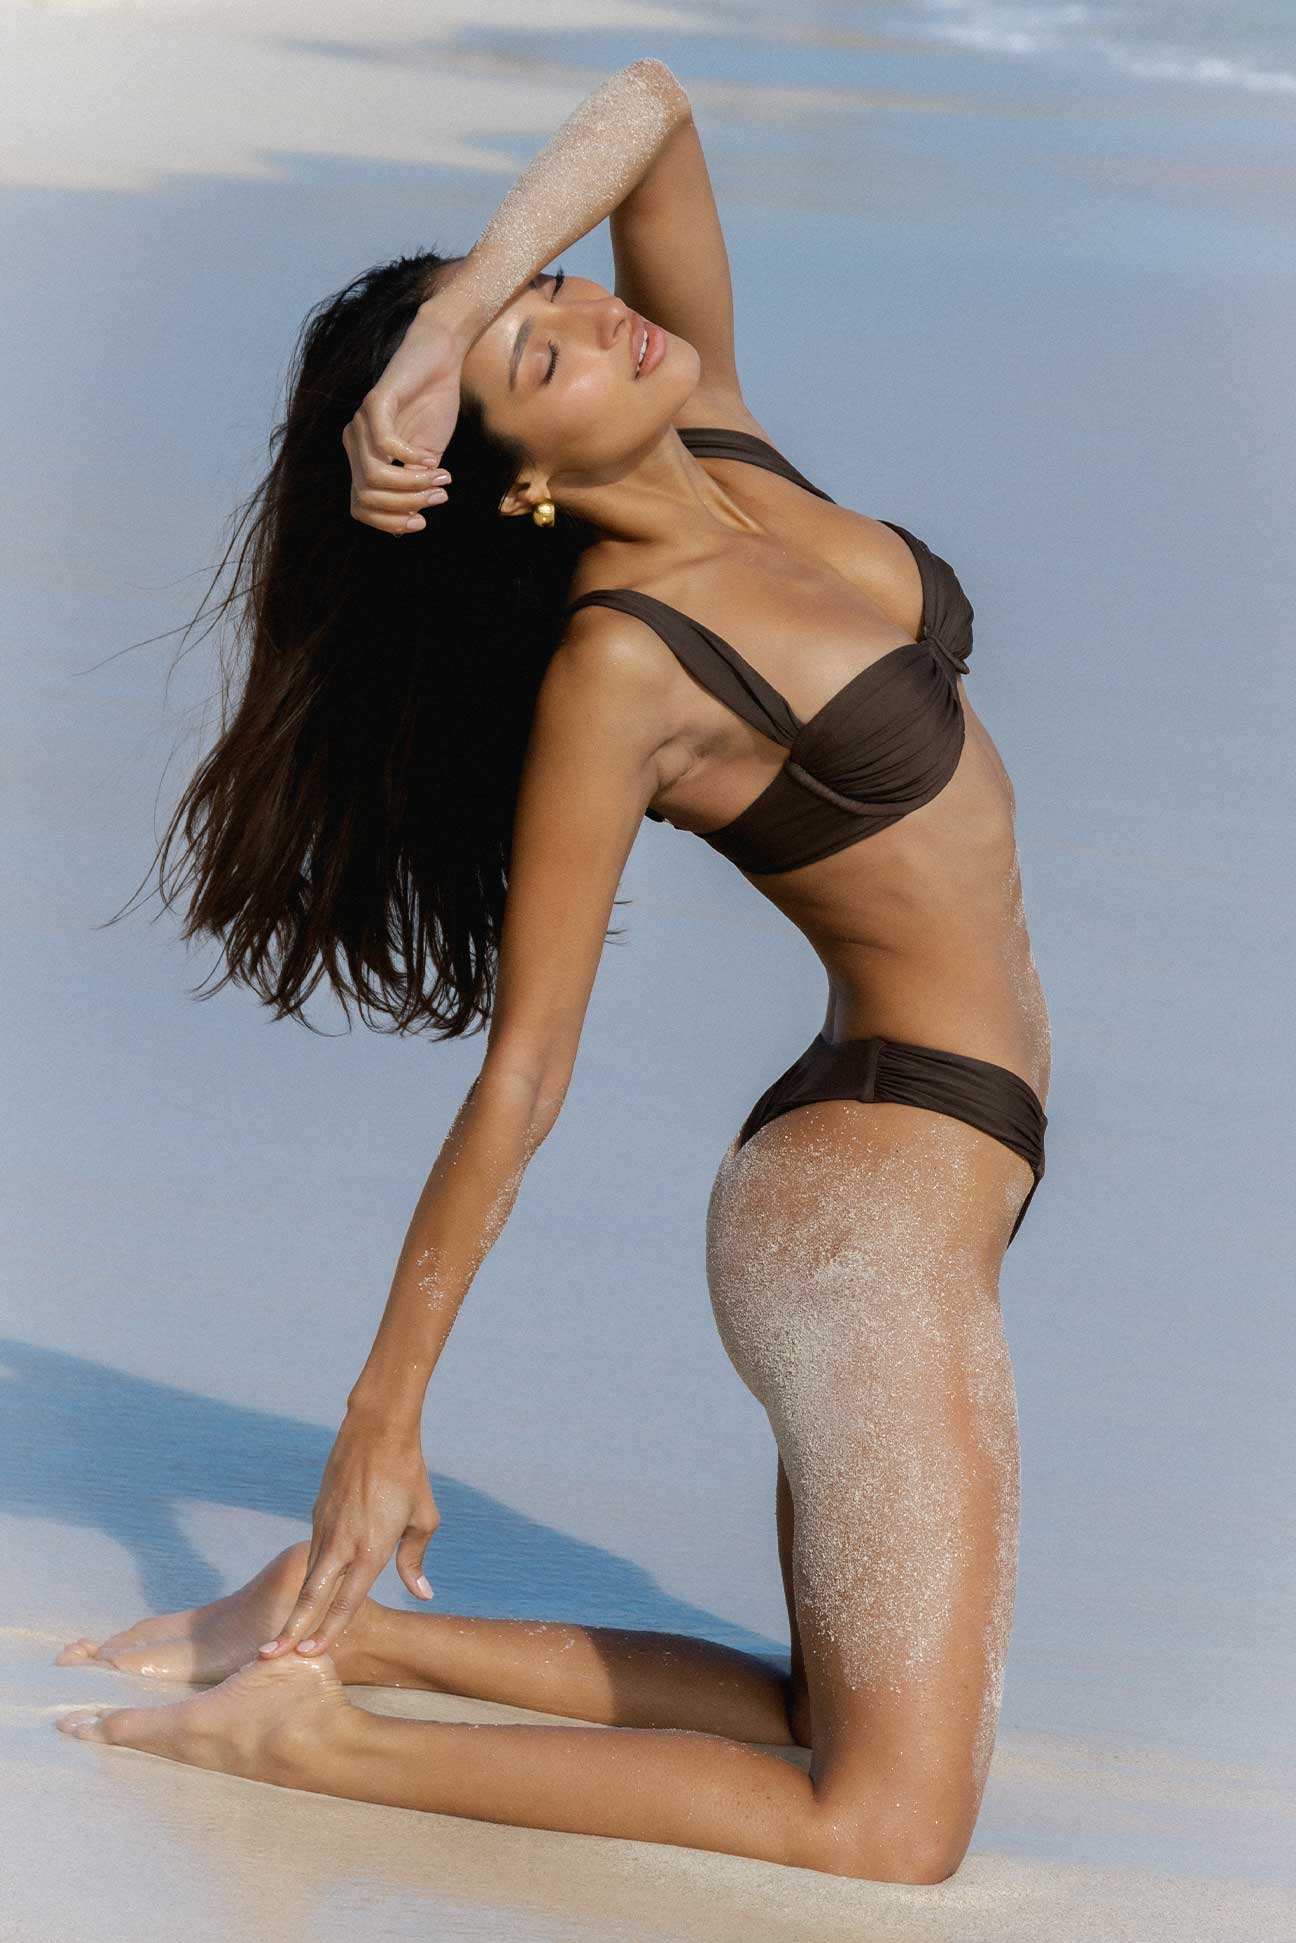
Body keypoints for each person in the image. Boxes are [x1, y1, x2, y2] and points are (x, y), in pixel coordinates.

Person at [55, 57, 1053, 1885]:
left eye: (562, 291)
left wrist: (459, 315)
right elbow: (525, 1070)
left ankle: (353, 1640)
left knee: (826, 1720)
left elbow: (654, 111)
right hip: (862, 1220)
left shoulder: (725, 447)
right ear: (518, 486)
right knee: (893, 1826)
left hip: (924, 1168)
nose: (596, 315)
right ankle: (319, 1739)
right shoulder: (624, 667)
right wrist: (382, 1415)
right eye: (543, 354)